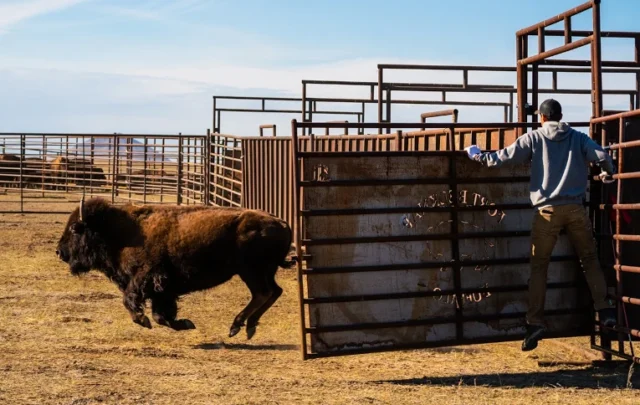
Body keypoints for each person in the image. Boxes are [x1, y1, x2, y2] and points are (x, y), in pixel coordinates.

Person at [464, 98, 617, 351]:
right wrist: (606, 172)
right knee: (589, 259)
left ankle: (535, 323)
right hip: (576, 209)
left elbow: (504, 157)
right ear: (560, 115)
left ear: (542, 118)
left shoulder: (534, 138)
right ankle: (605, 309)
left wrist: (478, 156)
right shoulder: (578, 138)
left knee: (539, 267)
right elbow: (601, 155)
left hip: (546, 211)